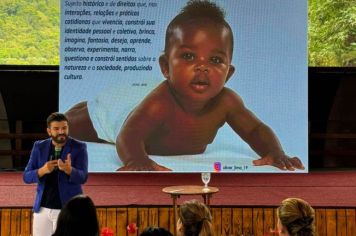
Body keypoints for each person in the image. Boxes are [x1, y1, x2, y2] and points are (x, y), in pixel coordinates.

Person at [65, 0, 304, 171]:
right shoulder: (161, 101)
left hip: (143, 101)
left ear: (228, 73)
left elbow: (254, 130)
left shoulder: (226, 102)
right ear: (166, 67)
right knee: (71, 124)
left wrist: (275, 151)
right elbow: (129, 135)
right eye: (189, 57)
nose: (202, 67)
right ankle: (80, 109)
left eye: (216, 60)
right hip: (120, 113)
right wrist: (136, 159)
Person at [23, 112, 88, 236]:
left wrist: (69, 170)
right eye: (56, 129)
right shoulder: (39, 147)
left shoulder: (79, 147)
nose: (61, 132)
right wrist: (42, 170)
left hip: (68, 210)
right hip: (42, 209)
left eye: (64, 128)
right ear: (49, 131)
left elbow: (83, 177)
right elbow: (26, 176)